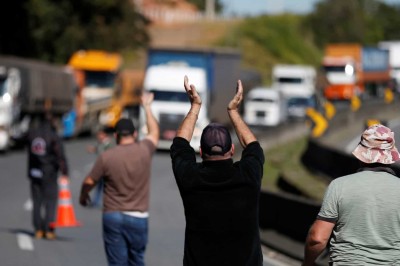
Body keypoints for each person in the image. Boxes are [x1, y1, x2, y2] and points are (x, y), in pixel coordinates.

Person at [170, 76, 265, 265]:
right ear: (231, 150)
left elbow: (180, 144)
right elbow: (253, 146)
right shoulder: (248, 175)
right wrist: (233, 111)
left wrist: (195, 106)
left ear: (201, 151)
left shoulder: (190, 177)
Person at [79, 92, 159, 266]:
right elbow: (154, 132)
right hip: (138, 217)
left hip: (112, 216)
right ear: (135, 134)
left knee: (117, 263)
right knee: (137, 260)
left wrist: (83, 196)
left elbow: (89, 182)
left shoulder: (107, 156)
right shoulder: (144, 150)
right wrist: (146, 106)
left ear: (115, 136)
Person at [303, 124, 400, 265]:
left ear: (361, 154)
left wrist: (307, 263)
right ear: (391, 156)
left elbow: (317, 238)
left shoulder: (339, 186)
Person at [27, 112, 69, 240]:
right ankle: (49, 229)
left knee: (37, 202)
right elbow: (60, 156)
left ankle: (38, 229)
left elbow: (19, 139)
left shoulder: (32, 134)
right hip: (49, 173)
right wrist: (65, 172)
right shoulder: (53, 136)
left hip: (34, 172)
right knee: (50, 202)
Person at [86, 128, 114, 207]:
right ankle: (96, 201)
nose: (98, 136)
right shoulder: (102, 143)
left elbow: (104, 153)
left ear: (104, 134)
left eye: (100, 134)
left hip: (107, 168)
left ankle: (108, 203)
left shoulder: (109, 143)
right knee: (99, 186)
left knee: (107, 187)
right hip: (101, 169)